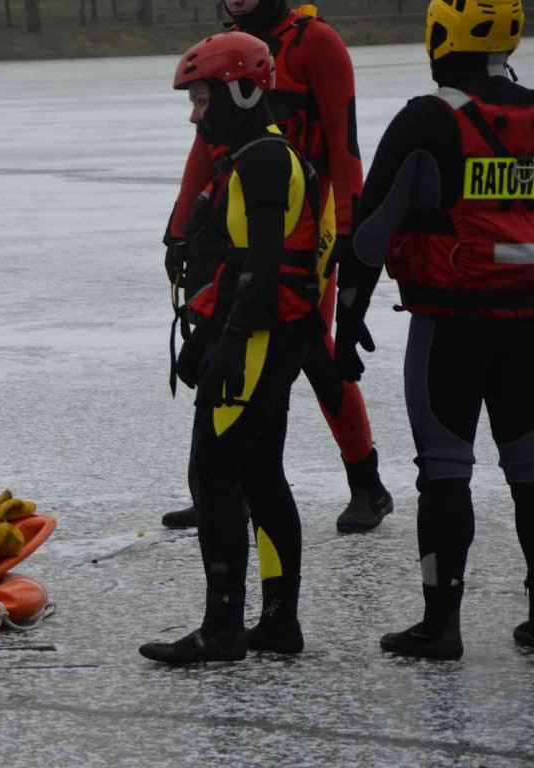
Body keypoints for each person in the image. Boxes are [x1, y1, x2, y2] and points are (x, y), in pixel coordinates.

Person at [336, 0, 534, 660]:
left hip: (450, 326)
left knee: (445, 472)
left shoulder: (428, 119)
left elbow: (369, 233)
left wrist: (349, 316)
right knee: (531, 470)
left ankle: (439, 625)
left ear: (439, 35)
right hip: (529, 324)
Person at [161, 0, 393, 534]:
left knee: (314, 348)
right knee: (219, 333)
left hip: (311, 209)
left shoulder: (317, 42)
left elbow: (344, 141)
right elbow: (204, 147)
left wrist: (349, 231)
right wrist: (180, 228)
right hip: (240, 206)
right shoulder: (230, 46)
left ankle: (367, 485)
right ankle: (218, 486)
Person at [140, 31, 321, 664]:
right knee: (260, 474)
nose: (195, 115)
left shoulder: (263, 160)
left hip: (257, 340)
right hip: (265, 338)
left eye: (200, 98)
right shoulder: (252, 157)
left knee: (214, 474)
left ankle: (222, 631)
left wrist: (229, 342)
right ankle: (277, 623)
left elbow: (263, 266)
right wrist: (207, 335)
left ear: (242, 89)